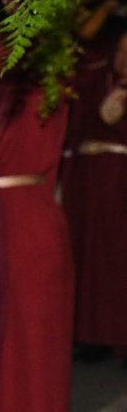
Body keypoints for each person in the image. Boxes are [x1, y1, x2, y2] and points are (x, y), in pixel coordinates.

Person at [0, 80, 74, 412]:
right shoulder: (50, 71)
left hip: (0, 220)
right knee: (33, 376)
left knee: (11, 374)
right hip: (35, 218)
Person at [64, 30, 127, 356]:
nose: (123, 59)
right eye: (119, 51)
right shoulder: (96, 81)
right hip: (89, 180)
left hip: (119, 185)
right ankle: (89, 335)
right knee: (87, 256)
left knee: (117, 260)